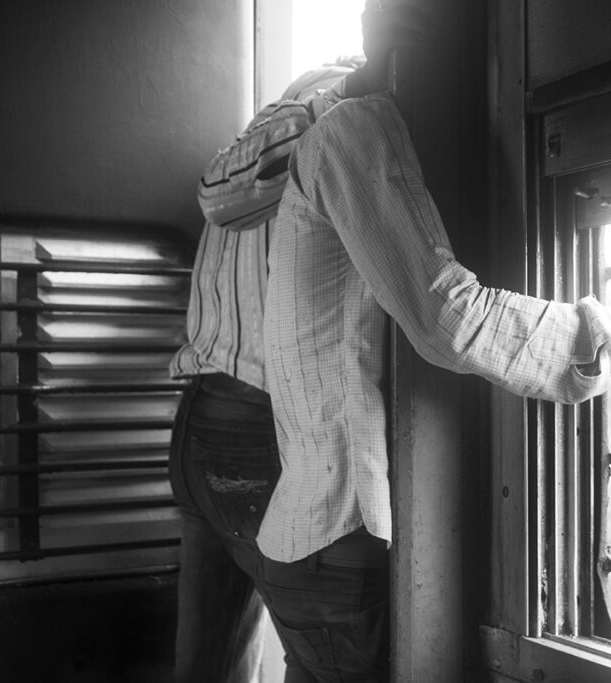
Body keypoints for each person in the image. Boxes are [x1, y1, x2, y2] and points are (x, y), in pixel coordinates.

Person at [200, 4, 611, 681]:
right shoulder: (353, 132)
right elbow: (454, 321)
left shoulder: (360, 137)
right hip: (336, 547)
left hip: (315, 552)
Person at [167, 42, 411, 683]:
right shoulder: (343, 117)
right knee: (329, 661)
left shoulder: (276, 123)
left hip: (198, 426)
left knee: (206, 670)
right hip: (259, 432)